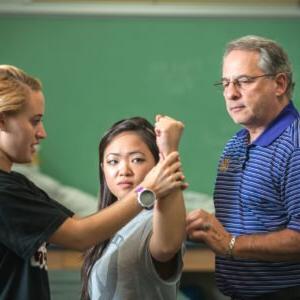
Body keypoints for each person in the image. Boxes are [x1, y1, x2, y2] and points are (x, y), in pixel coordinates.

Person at [0, 65, 185, 300]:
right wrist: (148, 189)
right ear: (2, 120)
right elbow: (80, 235)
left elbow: (83, 226)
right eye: (34, 121)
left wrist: (168, 157)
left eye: (137, 159)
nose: (42, 133)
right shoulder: (4, 192)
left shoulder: (17, 184)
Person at [186, 35, 300, 300]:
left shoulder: (295, 145)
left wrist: (231, 244)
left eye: (244, 81)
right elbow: (245, 218)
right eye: (225, 83)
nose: (230, 93)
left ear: (279, 83)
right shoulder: (235, 145)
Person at [81, 116, 186, 300]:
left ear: (156, 165)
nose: (124, 170)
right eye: (113, 161)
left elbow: (167, 247)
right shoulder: (108, 223)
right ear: (103, 169)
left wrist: (168, 152)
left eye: (137, 160)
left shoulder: (154, 219)